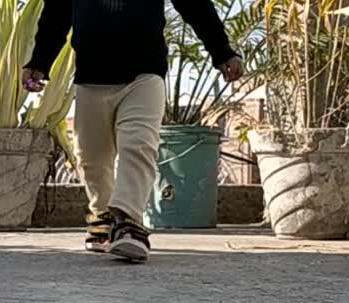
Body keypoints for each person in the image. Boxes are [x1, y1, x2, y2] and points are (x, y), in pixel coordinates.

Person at [23, 0, 244, 262]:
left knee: (137, 144)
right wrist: (39, 61)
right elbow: (56, 16)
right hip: (91, 79)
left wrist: (222, 52)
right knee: (92, 157)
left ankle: (129, 223)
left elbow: (195, 6)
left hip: (144, 74)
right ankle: (104, 217)